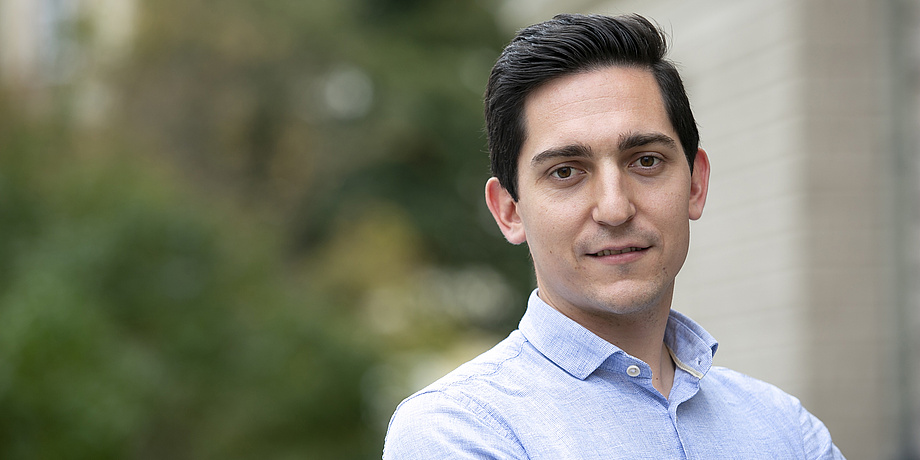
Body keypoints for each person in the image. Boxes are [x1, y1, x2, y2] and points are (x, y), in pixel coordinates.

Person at [383, 13, 844, 459]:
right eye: (566, 172)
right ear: (509, 211)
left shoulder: (787, 430)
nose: (615, 208)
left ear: (695, 185)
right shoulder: (459, 430)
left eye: (645, 161)